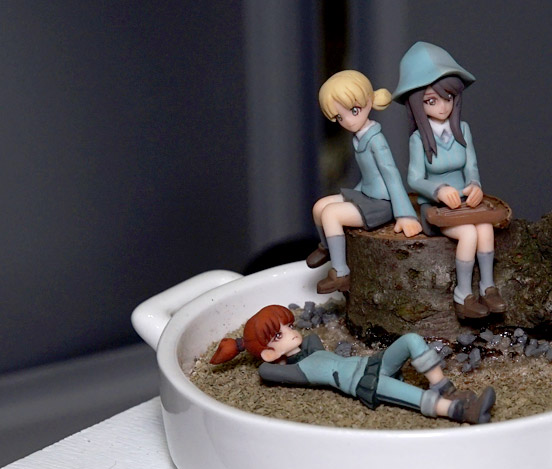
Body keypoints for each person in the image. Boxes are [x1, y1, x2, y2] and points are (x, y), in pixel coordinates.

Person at [210, 305, 496, 424]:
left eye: (288, 326)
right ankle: (461, 411)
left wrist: (282, 346)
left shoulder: (310, 351)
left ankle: (444, 387)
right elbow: (265, 370)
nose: (291, 332)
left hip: (371, 363)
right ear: (269, 354)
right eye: (279, 335)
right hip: (364, 383)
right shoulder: (299, 371)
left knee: (410, 339)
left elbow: (311, 340)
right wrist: (250, 347)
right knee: (410, 395)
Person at [392, 42, 506, 320]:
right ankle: (463, 295)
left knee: (485, 229)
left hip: (465, 204)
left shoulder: (462, 130)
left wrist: (475, 186)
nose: (442, 107)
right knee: (469, 234)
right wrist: (439, 189)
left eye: (449, 98)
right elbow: (414, 178)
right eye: (431, 101)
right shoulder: (418, 139)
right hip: (436, 210)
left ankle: (488, 287)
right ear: (417, 103)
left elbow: (472, 167)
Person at [307, 70, 422, 294]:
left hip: (381, 204)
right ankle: (328, 247)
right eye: (340, 117)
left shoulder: (376, 140)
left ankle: (340, 273)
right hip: (366, 194)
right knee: (320, 207)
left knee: (331, 214)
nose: (349, 121)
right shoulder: (358, 137)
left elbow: (392, 176)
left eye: (354, 111)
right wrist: (354, 195)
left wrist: (405, 214)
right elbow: (370, 176)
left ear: (369, 101)